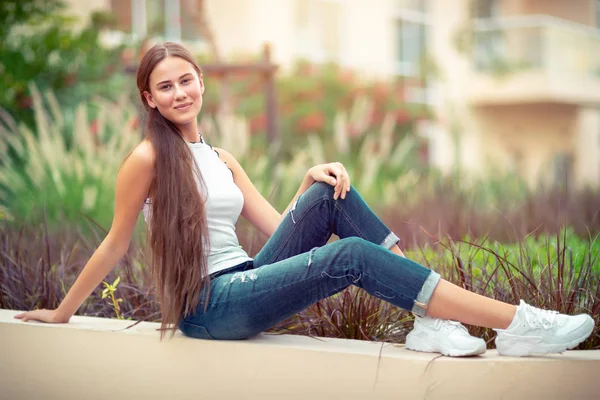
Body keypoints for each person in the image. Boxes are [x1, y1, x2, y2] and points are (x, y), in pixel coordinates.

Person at [15, 42, 595, 357]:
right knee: (352, 259)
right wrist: (62, 312)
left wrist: (306, 183)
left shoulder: (220, 158)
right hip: (208, 306)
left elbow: (278, 227)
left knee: (326, 192)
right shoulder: (147, 159)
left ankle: (428, 316)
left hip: (246, 277)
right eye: (165, 86)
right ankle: (518, 323)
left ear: (201, 82)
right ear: (150, 98)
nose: (180, 92)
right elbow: (116, 241)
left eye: (186, 79)